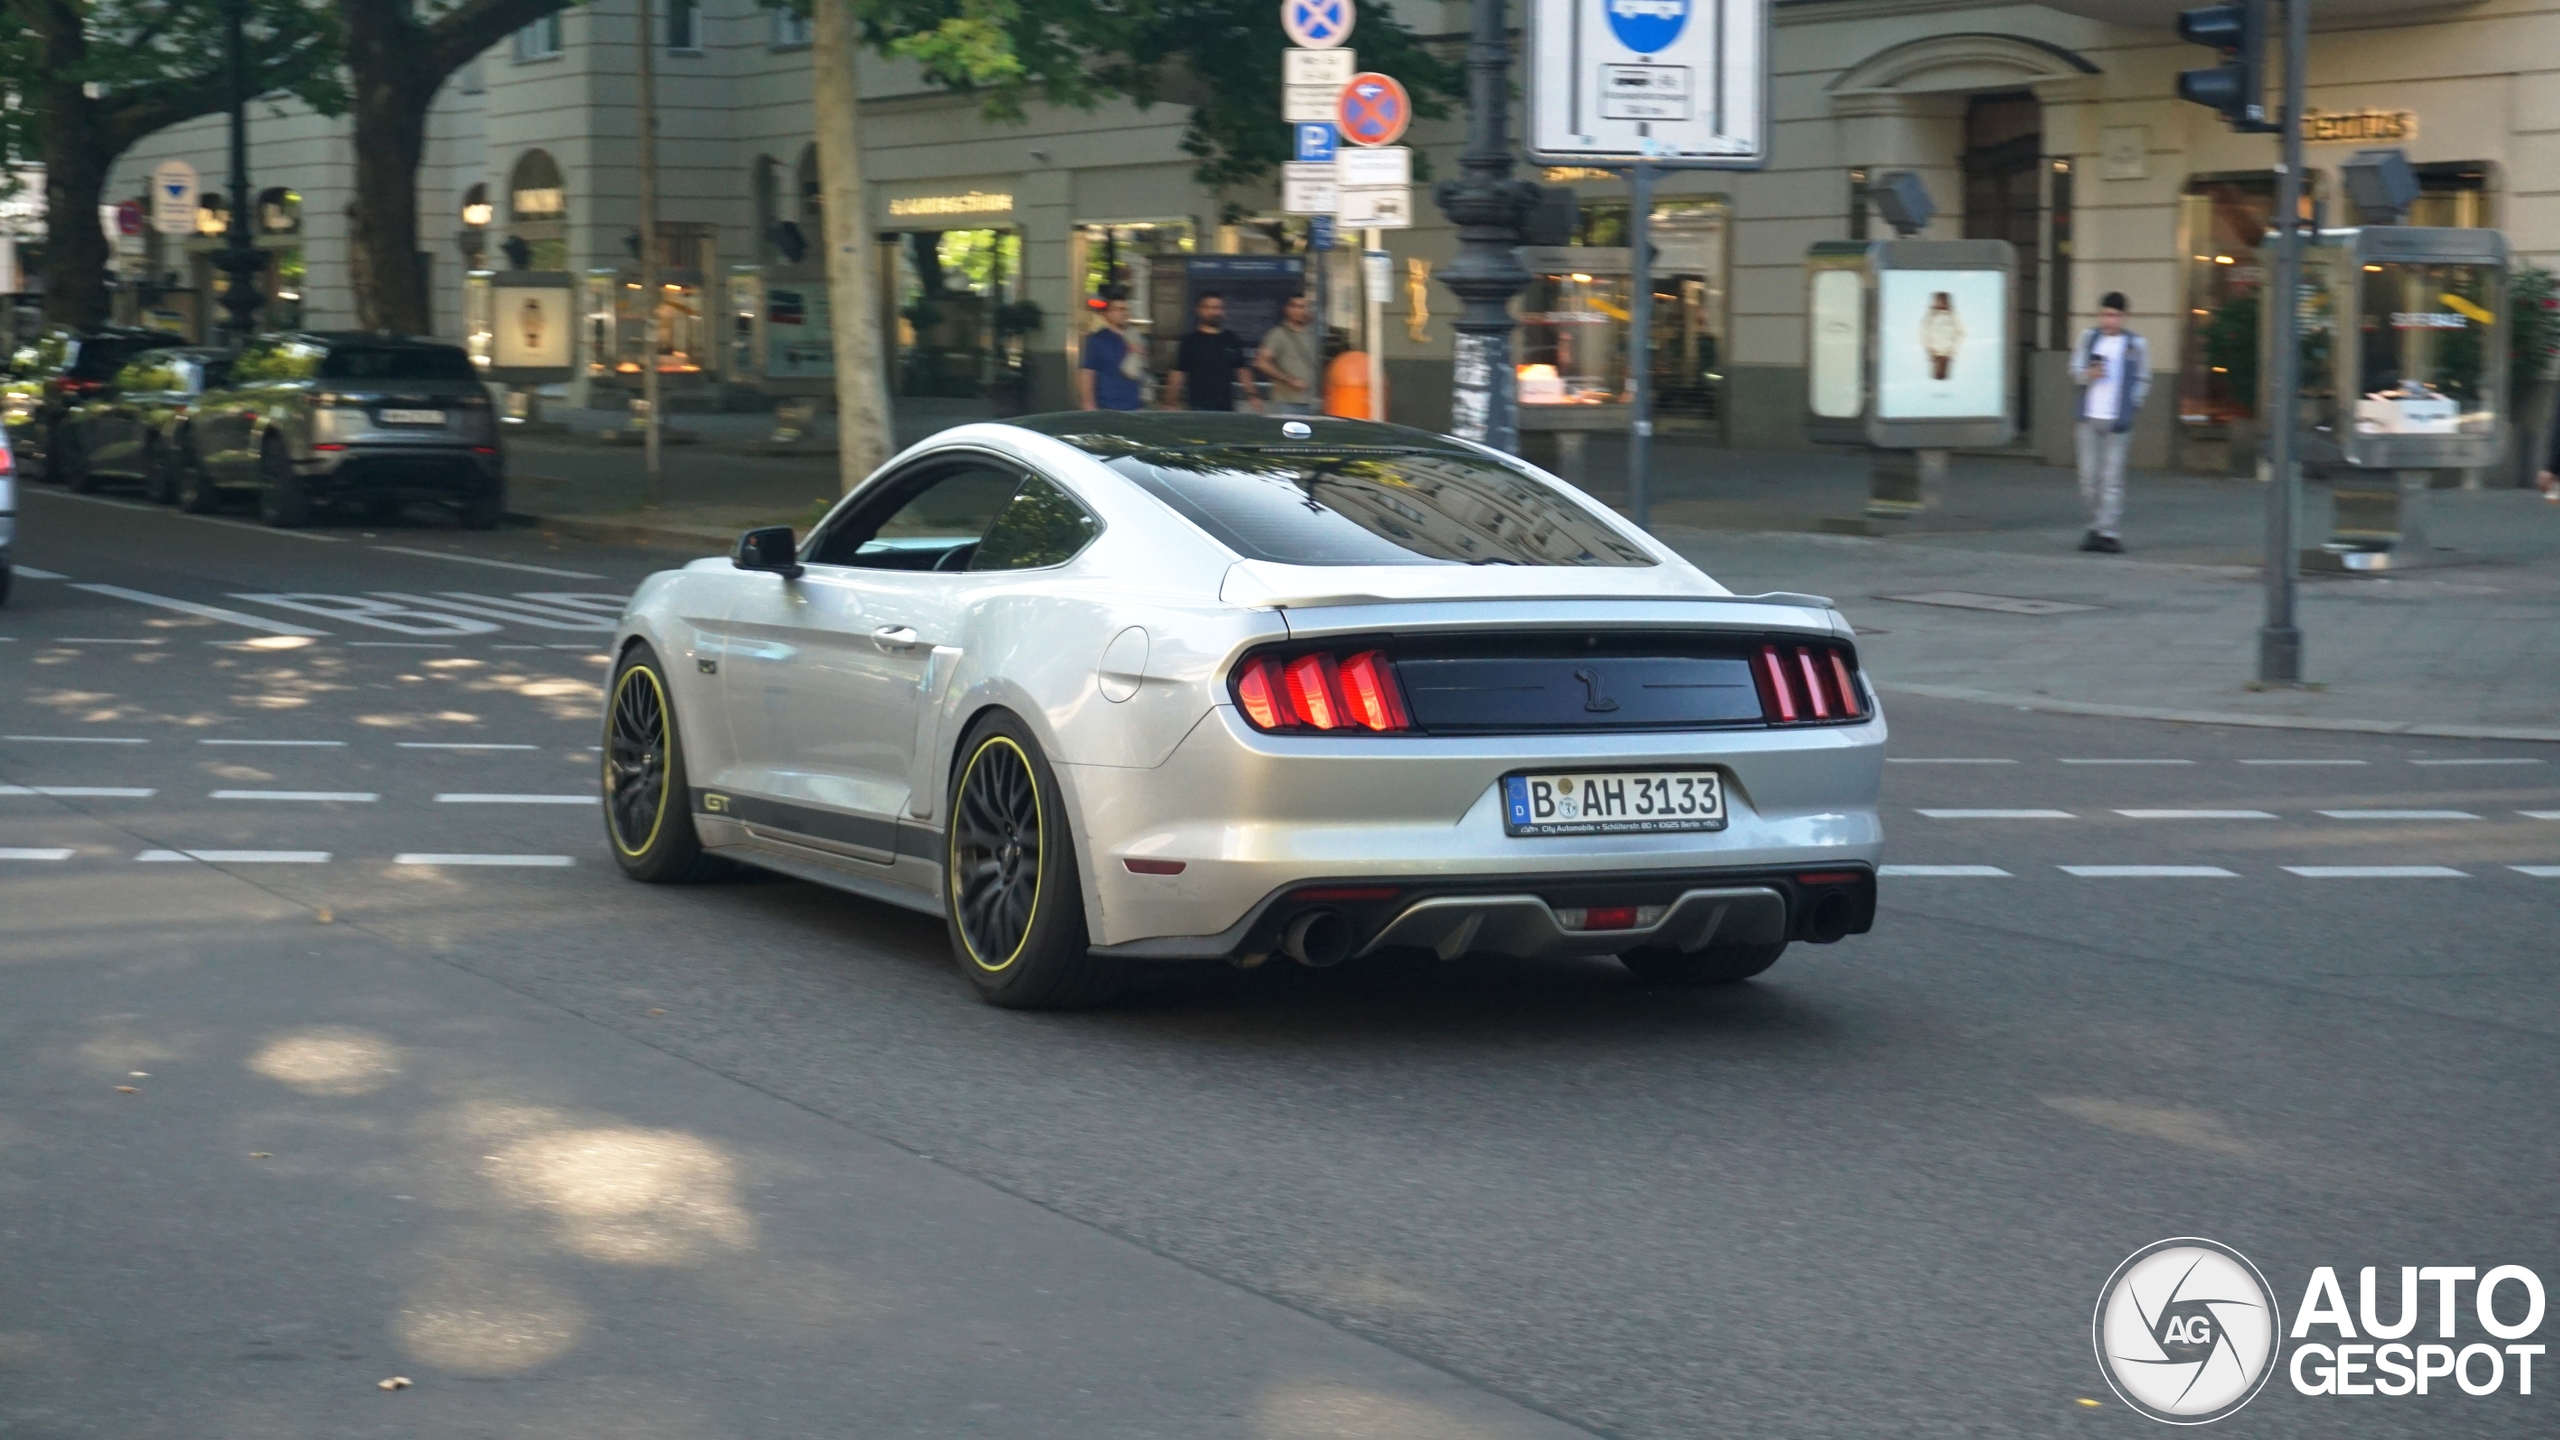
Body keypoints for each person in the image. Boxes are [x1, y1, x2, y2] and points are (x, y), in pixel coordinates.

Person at [2069, 291, 2151, 553]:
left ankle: (2108, 532)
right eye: (2104, 315)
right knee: (2089, 480)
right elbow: (2074, 371)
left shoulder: (2135, 344)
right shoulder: (2089, 338)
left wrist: (2133, 404)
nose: (2109, 320)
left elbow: (2143, 378)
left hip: (2118, 421)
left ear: (2125, 317)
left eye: (2114, 316)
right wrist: (2088, 374)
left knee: (2112, 480)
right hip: (2089, 418)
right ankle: (2097, 526)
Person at [1166, 292, 1259, 412]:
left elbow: (1242, 370)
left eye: (1218, 308)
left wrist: (1253, 395)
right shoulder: (1189, 341)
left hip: (1226, 408)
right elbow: (1178, 373)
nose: (1214, 312)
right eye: (1209, 307)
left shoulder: (1231, 339)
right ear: (1199, 310)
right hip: (1198, 407)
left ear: (1223, 311)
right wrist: (1170, 402)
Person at [1076, 291, 1144, 411]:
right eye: (1119, 309)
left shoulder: (1135, 337)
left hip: (1135, 407)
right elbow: (1087, 374)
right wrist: (1089, 405)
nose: (1124, 313)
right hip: (1107, 407)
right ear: (1107, 314)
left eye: (1126, 309)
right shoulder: (1097, 340)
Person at [1255, 293, 1321, 415]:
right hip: (1287, 403)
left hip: (1312, 402)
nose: (1299, 311)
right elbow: (1261, 363)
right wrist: (1290, 380)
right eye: (1295, 306)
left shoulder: (1313, 335)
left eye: (1303, 307)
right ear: (1287, 309)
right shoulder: (1278, 334)